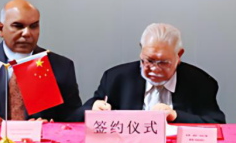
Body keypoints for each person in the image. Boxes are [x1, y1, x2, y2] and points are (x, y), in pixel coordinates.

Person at [0, 0, 82, 124]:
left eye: (34, 26)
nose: (27, 33)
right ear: (1, 29)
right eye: (18, 26)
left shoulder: (61, 66)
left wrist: (51, 126)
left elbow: (72, 120)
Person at [81, 23, 225, 123]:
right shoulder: (116, 78)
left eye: (163, 62)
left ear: (179, 56)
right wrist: (94, 109)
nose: (155, 69)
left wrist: (175, 115)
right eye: (148, 61)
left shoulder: (200, 83)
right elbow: (77, 115)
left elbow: (216, 122)